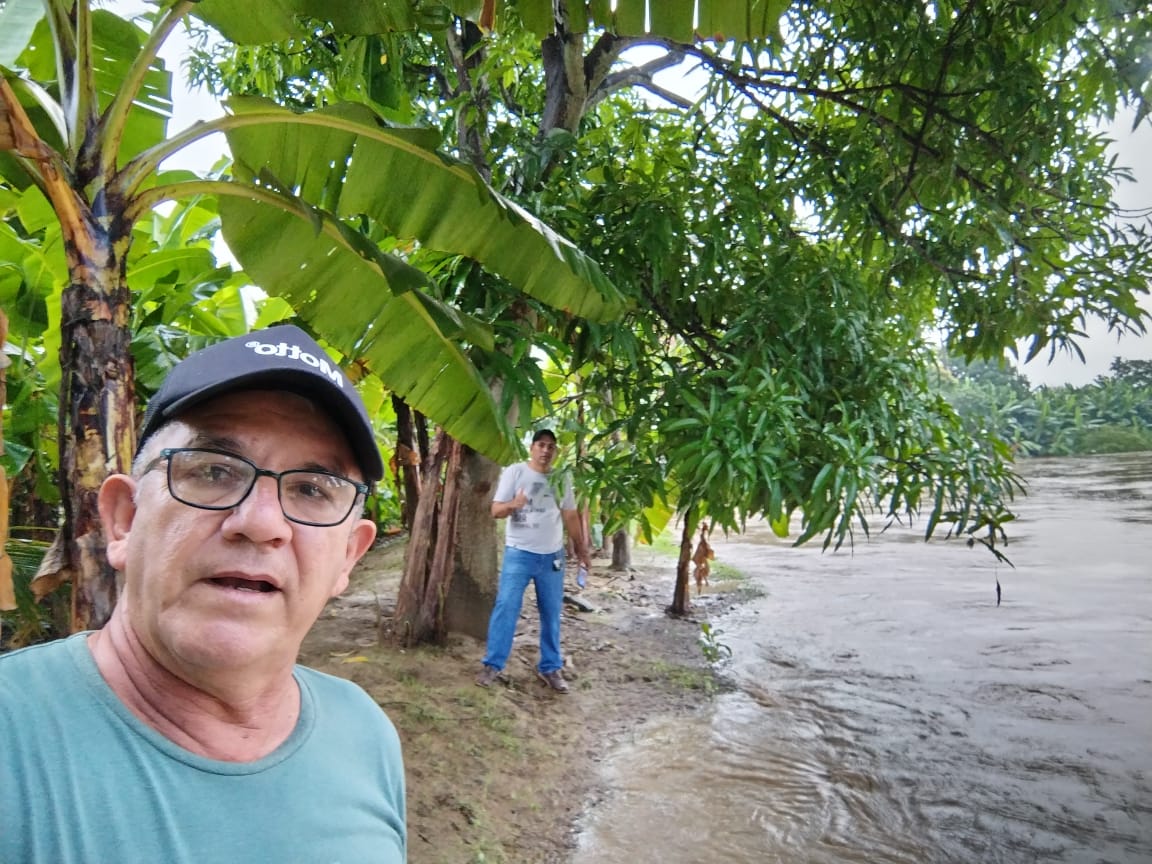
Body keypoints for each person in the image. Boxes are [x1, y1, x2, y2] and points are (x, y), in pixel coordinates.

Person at [0, 325, 406, 863]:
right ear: (124, 520)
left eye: (311, 490)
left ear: (348, 557)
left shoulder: (365, 735)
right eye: (214, 471)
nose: (261, 523)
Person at [477, 429, 591, 693]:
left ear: (556, 451)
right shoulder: (515, 472)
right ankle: (493, 664)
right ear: (532, 448)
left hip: (552, 557)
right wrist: (514, 505)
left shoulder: (561, 478)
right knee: (506, 607)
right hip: (519, 553)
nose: (545, 450)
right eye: (541, 445)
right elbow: (495, 510)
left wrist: (582, 549)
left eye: (551, 446)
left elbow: (570, 514)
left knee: (551, 613)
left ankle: (550, 667)